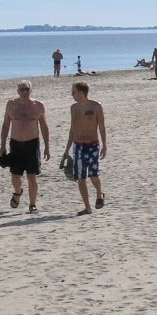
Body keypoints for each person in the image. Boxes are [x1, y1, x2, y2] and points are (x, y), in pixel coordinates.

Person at [0, 81, 51, 214]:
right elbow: (6, 125)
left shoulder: (38, 105)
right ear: (17, 91)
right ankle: (18, 192)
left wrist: (47, 147)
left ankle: (32, 204)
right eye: (21, 89)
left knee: (32, 177)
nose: (24, 91)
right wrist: (2, 146)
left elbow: (44, 127)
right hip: (16, 144)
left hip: (32, 144)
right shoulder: (11, 105)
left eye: (26, 89)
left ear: (31, 90)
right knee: (15, 176)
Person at [64, 81, 107, 215]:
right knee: (80, 178)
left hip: (92, 144)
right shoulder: (74, 108)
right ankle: (87, 207)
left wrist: (105, 145)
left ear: (81, 93)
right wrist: (67, 150)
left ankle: (99, 194)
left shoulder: (96, 106)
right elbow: (72, 129)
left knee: (93, 175)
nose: (72, 95)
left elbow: (102, 127)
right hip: (78, 146)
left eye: (73, 92)